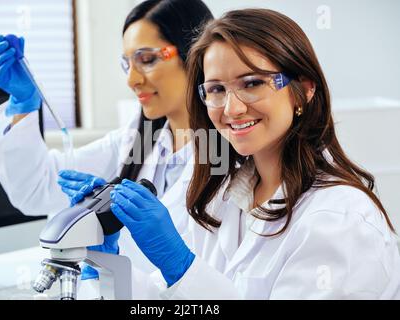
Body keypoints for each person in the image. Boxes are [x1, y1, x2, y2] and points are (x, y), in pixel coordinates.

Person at [108, 8, 400, 299]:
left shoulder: (339, 220)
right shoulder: (222, 197)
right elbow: (160, 300)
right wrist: (107, 263)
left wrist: (183, 269)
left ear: (305, 89)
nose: (232, 109)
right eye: (217, 89)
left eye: (252, 83)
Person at [0, 0, 213, 298]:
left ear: (194, 53)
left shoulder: (227, 154)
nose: (132, 79)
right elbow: (37, 189)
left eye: (147, 59)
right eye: (127, 63)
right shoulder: (138, 138)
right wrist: (23, 106)